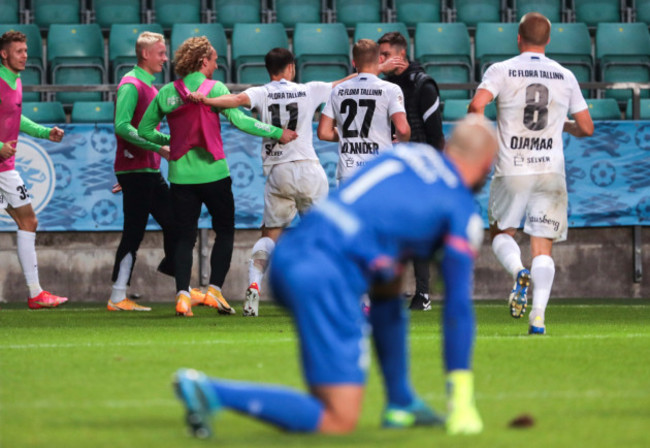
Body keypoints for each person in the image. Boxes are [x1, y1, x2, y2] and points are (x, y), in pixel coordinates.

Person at [172, 114, 498, 437]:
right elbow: (457, 308)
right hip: (328, 276)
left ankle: (400, 402)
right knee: (338, 419)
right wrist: (462, 401)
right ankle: (210, 391)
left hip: (291, 254)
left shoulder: (409, 154)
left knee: (389, 278)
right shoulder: (460, 209)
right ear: (486, 163)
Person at [137, 37, 297, 317]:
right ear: (203, 62)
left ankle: (183, 296)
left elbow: (145, 131)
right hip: (215, 175)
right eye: (213, 59)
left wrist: (173, 142)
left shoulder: (167, 92)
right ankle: (214, 291)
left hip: (181, 177)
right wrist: (276, 132)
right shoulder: (216, 90)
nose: (216, 64)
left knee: (185, 238)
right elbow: (241, 121)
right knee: (224, 231)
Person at [189, 48, 354, 316]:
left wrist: (205, 100)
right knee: (323, 236)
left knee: (269, 236)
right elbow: (341, 84)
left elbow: (234, 100)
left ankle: (254, 285)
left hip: (278, 171)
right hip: (309, 169)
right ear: (290, 67)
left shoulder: (261, 92)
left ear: (269, 69)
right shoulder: (308, 89)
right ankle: (328, 294)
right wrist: (370, 71)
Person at [468, 12, 593, 334]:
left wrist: (483, 131)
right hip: (550, 170)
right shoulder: (564, 75)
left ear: (519, 38)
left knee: (501, 233)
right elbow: (587, 128)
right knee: (543, 245)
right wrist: (562, 126)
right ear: (548, 40)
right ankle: (538, 317)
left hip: (512, 168)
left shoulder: (502, 69)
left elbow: (477, 104)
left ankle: (517, 272)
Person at [108, 31, 176, 312]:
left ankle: (176, 276)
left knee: (177, 223)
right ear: (145, 54)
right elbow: (121, 126)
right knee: (134, 232)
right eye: (161, 53)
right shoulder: (131, 85)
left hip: (144, 171)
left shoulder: (150, 87)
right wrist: (160, 147)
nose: (165, 58)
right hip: (138, 170)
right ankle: (117, 296)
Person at [378, 31, 446, 312]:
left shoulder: (423, 85)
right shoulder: (382, 85)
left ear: (400, 55)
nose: (379, 61)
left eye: (384, 55)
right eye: (378, 56)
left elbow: (436, 135)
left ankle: (423, 294)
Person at [0, 31, 67, 309]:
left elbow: (15, 117)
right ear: (4, 54)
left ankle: (35, 293)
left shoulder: (15, 80)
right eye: (19, 51)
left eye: (26, 50)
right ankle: (35, 293)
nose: (25, 55)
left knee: (28, 221)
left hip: (5, 167)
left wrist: (43, 132)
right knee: (28, 221)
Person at [318, 39, 410, 184]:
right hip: (379, 170)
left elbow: (323, 133)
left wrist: (347, 134)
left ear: (354, 63)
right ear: (380, 59)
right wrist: (402, 140)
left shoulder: (338, 91)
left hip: (348, 172)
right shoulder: (390, 89)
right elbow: (403, 130)